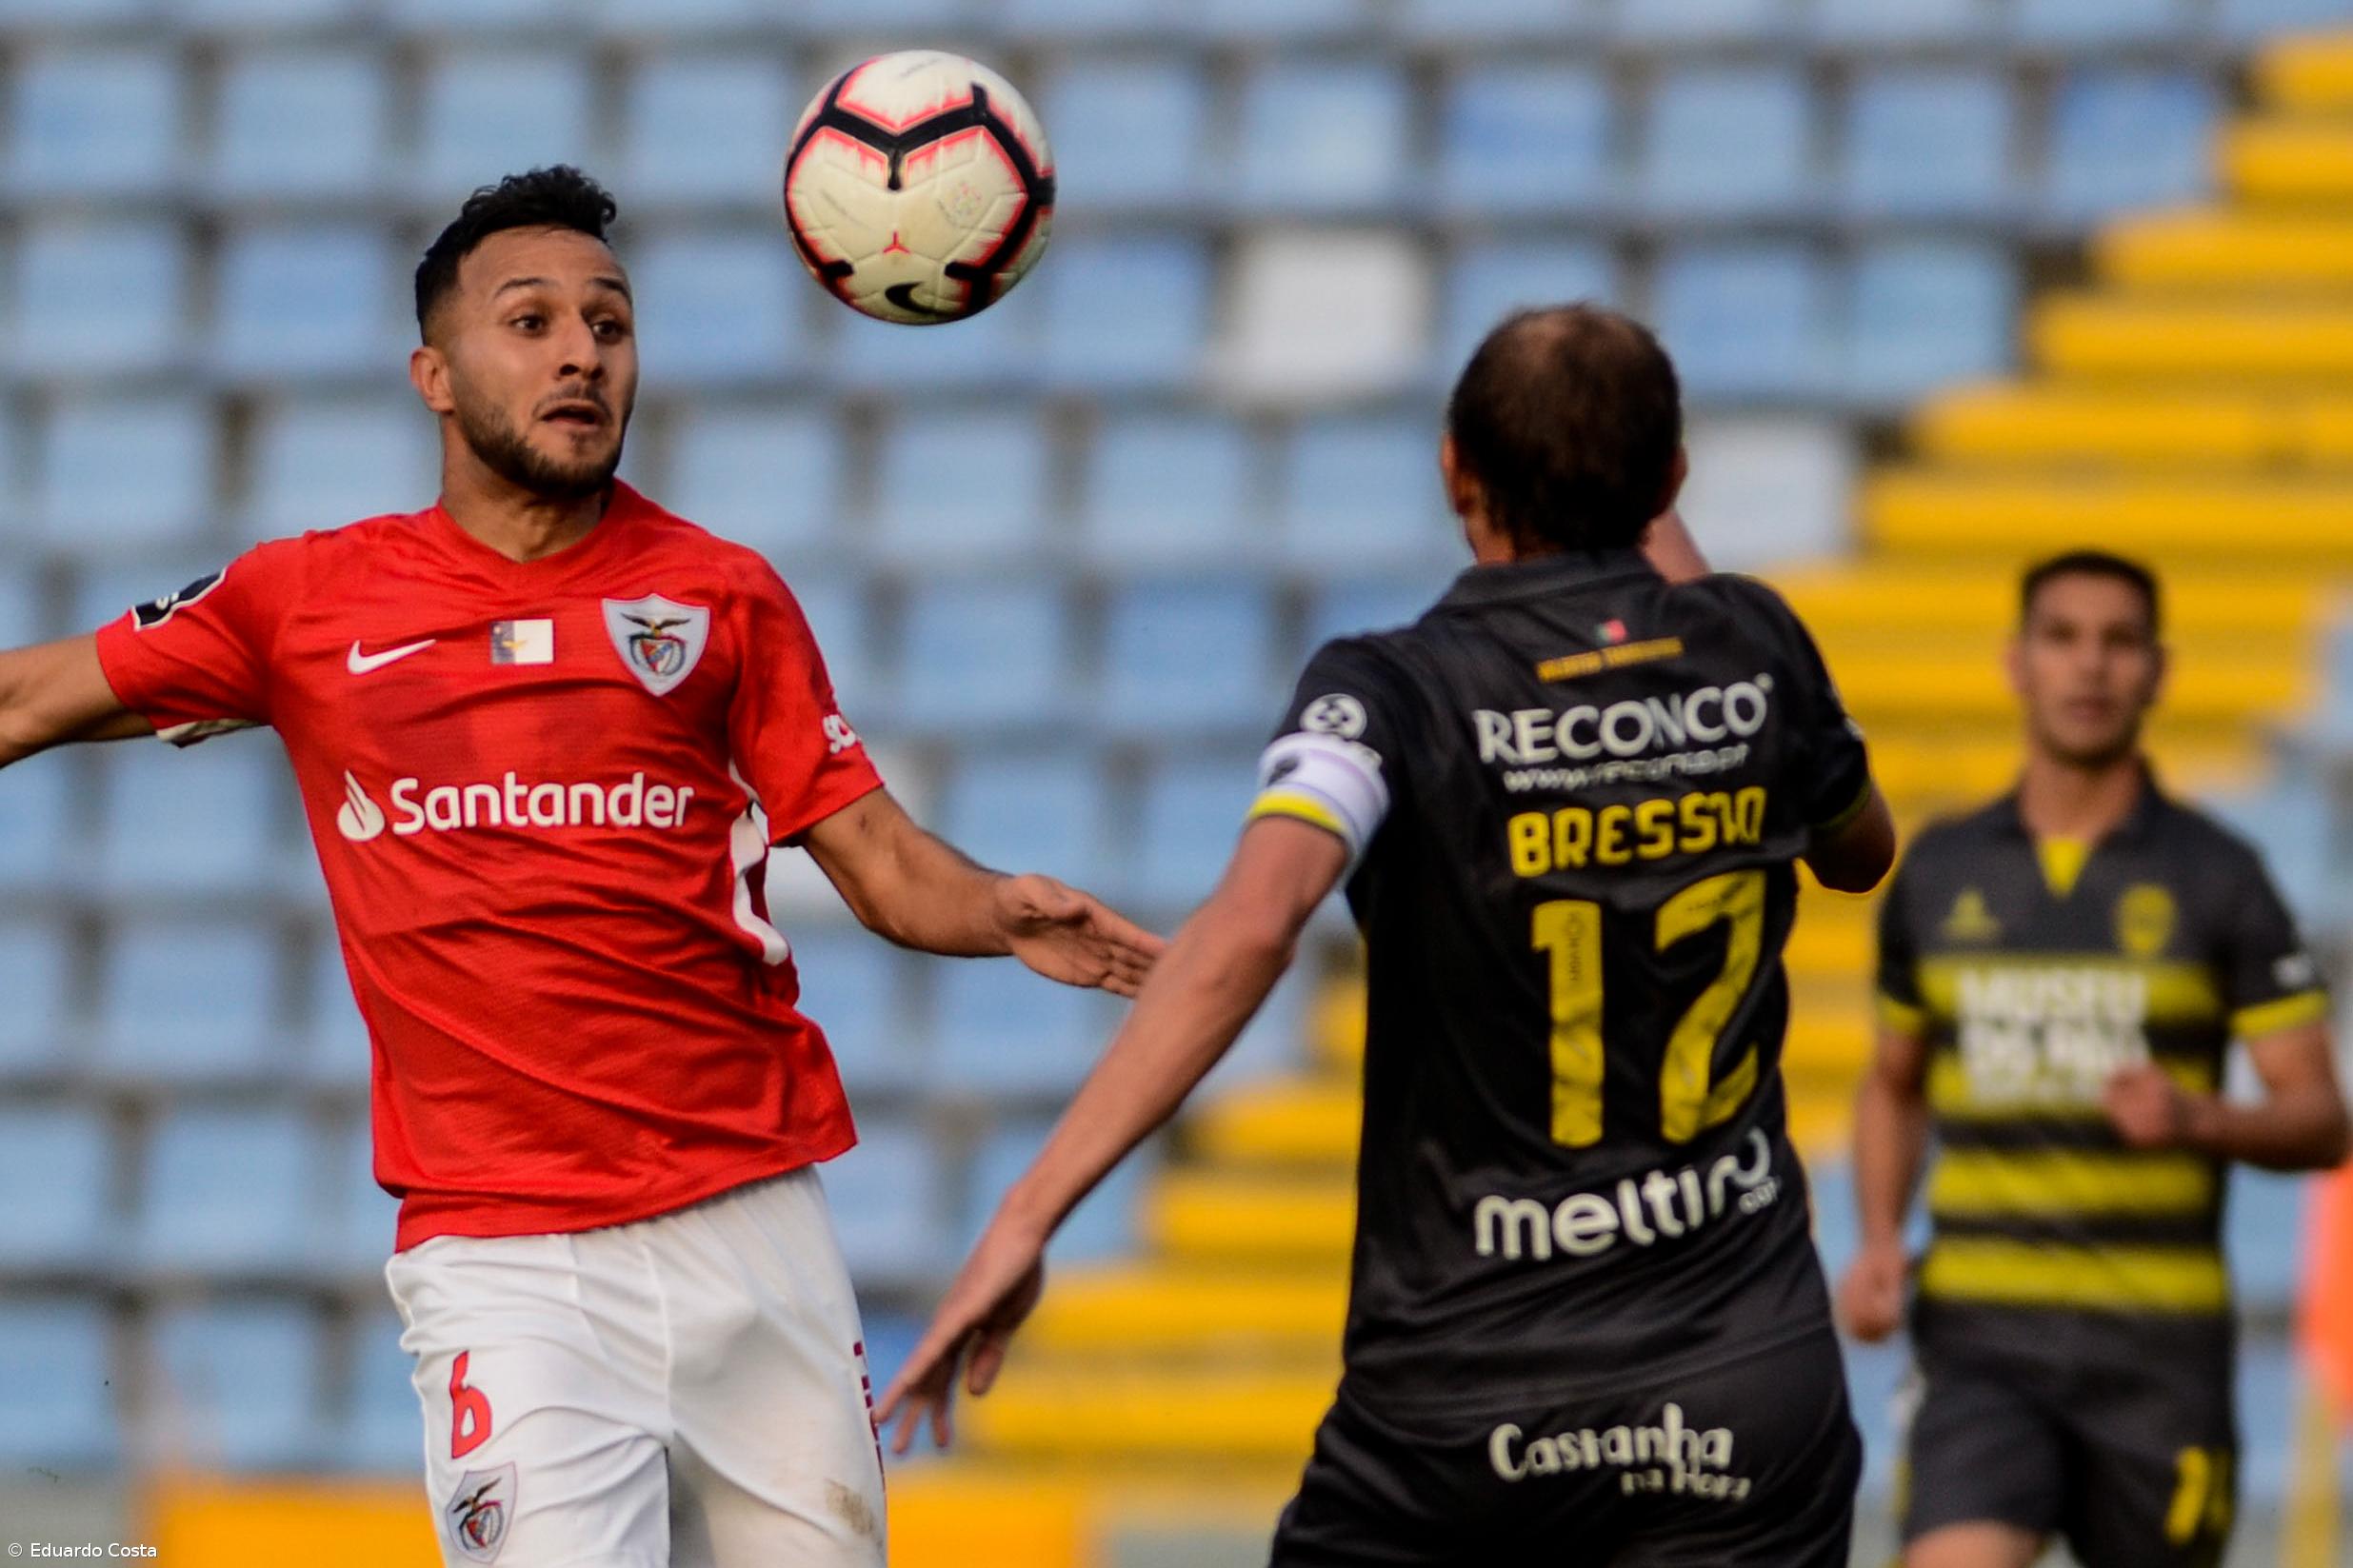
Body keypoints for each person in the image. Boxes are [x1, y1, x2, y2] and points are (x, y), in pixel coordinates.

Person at [0, 167, 1162, 1568]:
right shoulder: (303, 600)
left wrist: (993, 908)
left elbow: (878, 860)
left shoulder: (722, 594)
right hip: (506, 1257)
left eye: (608, 325)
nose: (579, 354)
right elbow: (24, 700)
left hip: (756, 1228)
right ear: (435, 372)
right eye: (531, 320)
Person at [880, 304, 1900, 1566]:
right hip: (1740, 1386)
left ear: (1450, 471)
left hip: (1464, 1404)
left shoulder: (1387, 691)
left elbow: (1257, 917)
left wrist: (1027, 1211)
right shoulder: (1763, 650)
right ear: (1671, 480)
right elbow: (1862, 852)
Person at [1839, 549, 2351, 1568]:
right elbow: (1892, 1082)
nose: (2089, 668)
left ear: (2157, 672)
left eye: (2118, 643)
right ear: (2013, 663)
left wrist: (2198, 1117)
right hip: (1981, 1350)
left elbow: (2321, 1121)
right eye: (2061, 638)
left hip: (2155, 1365)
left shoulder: (2219, 878)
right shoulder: (1937, 872)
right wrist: (1878, 1238)